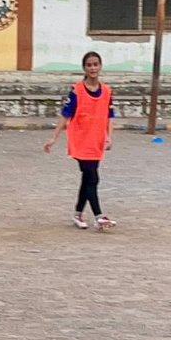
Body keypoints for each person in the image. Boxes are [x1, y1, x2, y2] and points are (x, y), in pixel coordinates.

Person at [43, 51, 115, 229]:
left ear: (100, 66)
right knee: (92, 177)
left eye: (95, 64)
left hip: (97, 141)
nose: (93, 68)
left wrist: (109, 137)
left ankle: (78, 214)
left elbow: (109, 116)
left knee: (89, 178)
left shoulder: (106, 91)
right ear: (84, 68)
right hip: (81, 141)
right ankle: (99, 216)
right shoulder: (76, 91)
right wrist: (54, 138)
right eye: (89, 65)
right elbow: (65, 115)